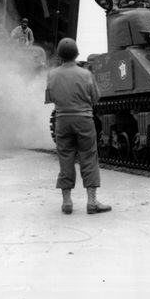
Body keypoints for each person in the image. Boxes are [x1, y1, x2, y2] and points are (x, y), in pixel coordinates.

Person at [45, 38, 110, 215]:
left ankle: (67, 202)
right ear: (77, 54)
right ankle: (92, 202)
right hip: (84, 120)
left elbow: (50, 98)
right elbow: (96, 97)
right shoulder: (86, 74)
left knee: (65, 158)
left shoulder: (52, 75)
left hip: (62, 120)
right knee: (89, 157)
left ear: (59, 55)